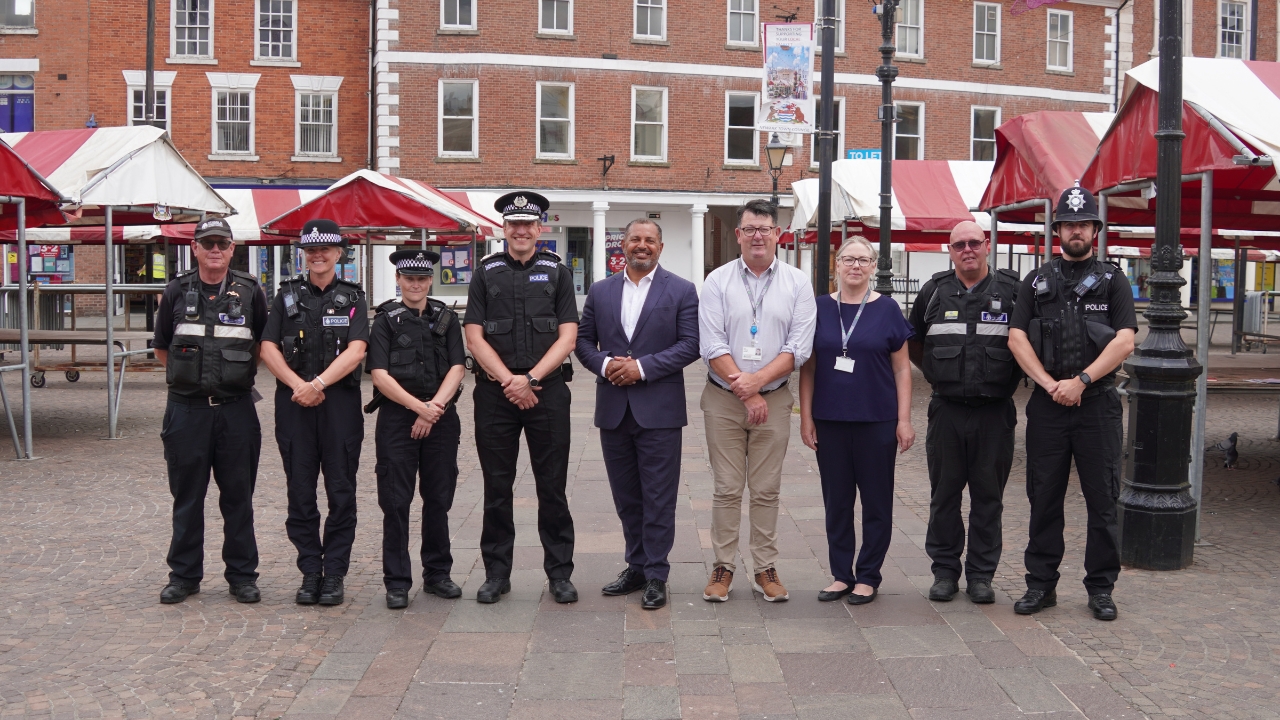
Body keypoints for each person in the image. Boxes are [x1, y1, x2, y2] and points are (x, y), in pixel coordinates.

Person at [1007, 184, 1137, 622]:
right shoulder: (1037, 280)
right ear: (1057, 229)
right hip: (1048, 407)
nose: (1076, 231)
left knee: (1102, 501)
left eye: (1083, 224)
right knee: (1044, 499)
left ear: (1094, 231)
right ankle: (1040, 586)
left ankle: (1101, 589)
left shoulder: (1114, 280)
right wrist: (1049, 384)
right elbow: (1016, 337)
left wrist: (1081, 381)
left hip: (1097, 405)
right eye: (1069, 224)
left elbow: (1125, 341)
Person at [574, 219, 700, 610]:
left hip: (659, 410)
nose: (641, 246)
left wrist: (641, 368)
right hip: (614, 408)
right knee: (627, 497)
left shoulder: (681, 290)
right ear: (623, 246)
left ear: (660, 247)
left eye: (649, 240)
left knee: (659, 497)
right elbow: (581, 340)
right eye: (634, 239)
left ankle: (657, 575)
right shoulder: (601, 290)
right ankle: (636, 566)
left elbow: (691, 344)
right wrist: (606, 364)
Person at [464, 191, 580, 604]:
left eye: (528, 224)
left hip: (547, 392)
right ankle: (497, 574)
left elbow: (568, 336)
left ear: (540, 228)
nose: (520, 230)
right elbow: (474, 336)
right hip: (495, 396)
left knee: (553, 487)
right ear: (503, 229)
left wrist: (529, 378)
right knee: (497, 487)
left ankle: (560, 574)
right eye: (513, 224)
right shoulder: (485, 273)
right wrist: (510, 382)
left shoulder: (557, 273)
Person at [699, 198, 816, 603]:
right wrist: (744, 389)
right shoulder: (717, 281)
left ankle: (765, 567)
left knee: (766, 489)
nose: (757, 236)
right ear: (738, 235)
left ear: (778, 235)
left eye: (765, 229)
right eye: (749, 229)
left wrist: (758, 384)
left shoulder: (798, 284)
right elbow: (711, 344)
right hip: (723, 400)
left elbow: (798, 348)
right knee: (727, 488)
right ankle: (723, 567)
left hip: (775, 399)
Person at [153, 218, 268, 604]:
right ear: (195, 248)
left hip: (236, 410)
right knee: (187, 497)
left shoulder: (251, 293)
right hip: (187, 411)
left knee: (238, 497)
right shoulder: (175, 291)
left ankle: (241, 576)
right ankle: (184, 576)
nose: (215, 249)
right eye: (208, 243)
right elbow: (163, 349)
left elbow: (261, 346)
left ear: (233, 249)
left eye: (222, 243)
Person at [907, 221, 1022, 605]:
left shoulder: (1012, 292)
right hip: (947, 411)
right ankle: (944, 572)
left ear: (987, 246)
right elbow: (914, 343)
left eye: (975, 242)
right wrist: (940, 375)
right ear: (950, 250)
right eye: (960, 244)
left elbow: (1027, 345)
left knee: (988, 498)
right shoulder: (935, 291)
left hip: (995, 412)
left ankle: (980, 576)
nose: (967, 249)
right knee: (944, 496)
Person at [799, 236, 915, 605]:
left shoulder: (888, 310)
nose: (856, 266)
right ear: (836, 264)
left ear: (873, 266)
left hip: (877, 420)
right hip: (830, 419)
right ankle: (840, 574)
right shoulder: (817, 308)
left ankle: (868, 575)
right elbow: (808, 369)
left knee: (877, 501)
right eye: (849, 259)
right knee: (836, 501)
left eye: (864, 260)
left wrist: (904, 420)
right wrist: (805, 417)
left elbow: (902, 370)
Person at [260, 219, 369, 607]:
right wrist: (297, 385)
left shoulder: (354, 298)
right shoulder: (285, 296)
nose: (318, 256)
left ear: (339, 254)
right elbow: (268, 347)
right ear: (303, 255)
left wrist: (317, 385)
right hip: (294, 405)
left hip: (338, 405)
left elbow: (357, 351)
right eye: (311, 250)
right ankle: (310, 571)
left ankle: (335, 573)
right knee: (300, 491)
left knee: (341, 490)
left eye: (325, 250)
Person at [367, 250, 467, 609]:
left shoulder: (446, 318)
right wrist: (418, 409)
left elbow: (458, 367)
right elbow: (379, 374)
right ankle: (397, 581)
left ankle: (437, 574)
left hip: (440, 419)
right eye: (409, 278)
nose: (415, 284)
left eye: (422, 278)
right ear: (398, 280)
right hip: (397, 419)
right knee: (395, 501)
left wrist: (433, 409)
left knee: (438, 498)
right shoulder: (384, 321)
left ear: (430, 281)